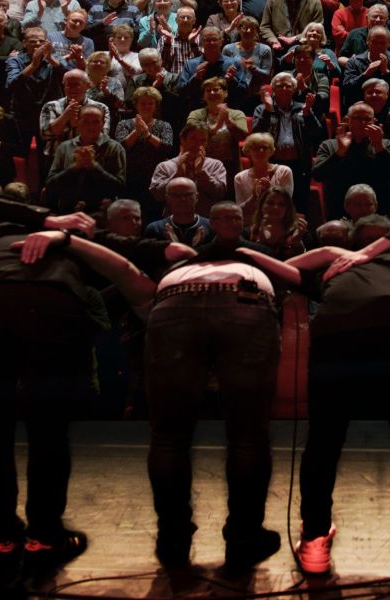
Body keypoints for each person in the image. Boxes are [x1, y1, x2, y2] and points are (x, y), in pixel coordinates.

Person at [0, 201, 155, 589]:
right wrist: (55, 226)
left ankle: (5, 538)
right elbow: (140, 266)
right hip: (47, 302)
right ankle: (44, 536)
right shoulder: (77, 244)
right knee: (47, 428)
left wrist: (43, 218)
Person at [140, 201, 303, 570]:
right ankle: (244, 539)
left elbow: (127, 271)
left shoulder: (186, 258)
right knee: (247, 435)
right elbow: (297, 274)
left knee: (168, 436)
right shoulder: (255, 254)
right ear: (211, 222)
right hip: (243, 300)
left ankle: (172, 541)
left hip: (174, 300)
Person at [288, 217, 390, 576]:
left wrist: (331, 253)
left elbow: (279, 270)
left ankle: (313, 539)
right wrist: (389, 242)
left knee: (324, 442)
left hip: (338, 342)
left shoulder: (334, 267)